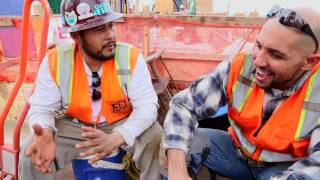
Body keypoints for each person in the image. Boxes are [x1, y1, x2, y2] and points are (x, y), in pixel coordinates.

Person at [160, 6, 320, 180]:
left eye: (275, 55)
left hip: (283, 168)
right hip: (236, 154)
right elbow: (183, 105)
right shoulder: (241, 66)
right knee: (177, 142)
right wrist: (177, 172)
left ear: (309, 62)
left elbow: (316, 166)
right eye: (259, 45)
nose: (258, 60)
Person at [18, 0, 162, 180]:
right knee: (31, 152)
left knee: (154, 136)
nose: (110, 35)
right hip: (77, 127)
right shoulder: (56, 61)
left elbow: (147, 107)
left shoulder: (131, 57)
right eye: (99, 30)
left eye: (110, 26)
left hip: (121, 122)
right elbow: (41, 108)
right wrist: (45, 133)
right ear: (76, 36)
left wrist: (118, 136)